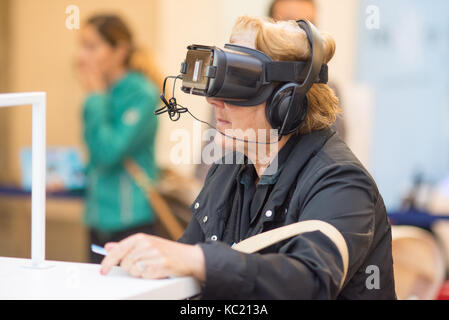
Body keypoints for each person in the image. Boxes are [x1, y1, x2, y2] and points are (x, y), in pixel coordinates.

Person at [100, 16, 396, 299]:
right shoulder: (229, 169)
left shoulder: (340, 181)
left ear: (286, 101)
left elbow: (311, 281)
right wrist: (149, 262)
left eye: (237, 86)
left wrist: (199, 260)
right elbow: (187, 262)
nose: (215, 102)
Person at [77, 14, 162, 263]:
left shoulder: (142, 94)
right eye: (82, 46)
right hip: (97, 215)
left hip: (130, 217)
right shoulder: (104, 92)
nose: (82, 56)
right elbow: (94, 154)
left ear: (119, 51)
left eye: (91, 47)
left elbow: (109, 151)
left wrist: (95, 96)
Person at [269, 0, 346, 140]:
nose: (300, 34)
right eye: (288, 24)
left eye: (309, 26)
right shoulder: (240, 85)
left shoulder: (329, 90)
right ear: (266, 28)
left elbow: (336, 145)